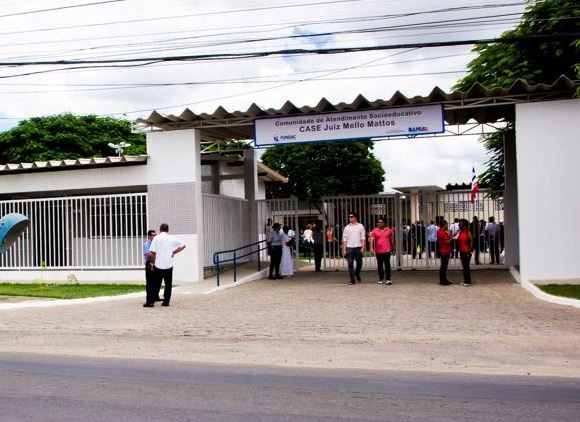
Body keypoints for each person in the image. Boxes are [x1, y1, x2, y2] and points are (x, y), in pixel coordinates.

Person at [146, 223, 186, 307]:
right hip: (168, 264)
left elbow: (153, 252)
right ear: (168, 230)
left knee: (155, 284)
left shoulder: (156, 238)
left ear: (160, 229)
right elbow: (183, 245)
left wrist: (152, 263)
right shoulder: (172, 238)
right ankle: (166, 302)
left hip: (158, 265)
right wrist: (174, 252)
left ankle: (151, 302)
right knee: (168, 284)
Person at [342, 212, 365, 285]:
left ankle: (357, 273)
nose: (350, 218)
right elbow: (344, 239)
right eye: (349, 217)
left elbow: (363, 237)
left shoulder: (360, 226)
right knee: (350, 264)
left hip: (358, 247)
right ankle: (352, 280)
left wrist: (363, 247)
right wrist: (344, 249)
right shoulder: (346, 227)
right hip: (349, 248)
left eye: (351, 217)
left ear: (355, 218)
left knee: (359, 263)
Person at [370, 217, 394, 285]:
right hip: (378, 251)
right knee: (380, 265)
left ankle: (388, 279)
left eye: (380, 222)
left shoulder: (389, 230)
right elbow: (372, 240)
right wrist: (371, 248)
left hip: (387, 250)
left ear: (384, 223)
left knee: (387, 265)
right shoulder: (375, 230)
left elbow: (391, 240)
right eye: (378, 222)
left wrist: (393, 248)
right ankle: (381, 279)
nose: (379, 224)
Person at [143, 229, 161, 303]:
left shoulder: (155, 244)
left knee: (157, 281)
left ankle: (156, 296)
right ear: (149, 236)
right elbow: (147, 254)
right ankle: (150, 299)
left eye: (155, 235)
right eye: (153, 235)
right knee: (150, 282)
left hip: (156, 263)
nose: (155, 236)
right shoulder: (147, 244)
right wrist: (156, 253)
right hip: (149, 263)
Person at [457, 219, 473, 287]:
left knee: (466, 267)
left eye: (460, 224)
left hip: (466, 251)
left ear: (464, 225)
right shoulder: (461, 232)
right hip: (462, 251)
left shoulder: (467, 232)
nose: (459, 225)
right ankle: (465, 280)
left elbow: (471, 241)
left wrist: (469, 250)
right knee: (464, 267)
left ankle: (468, 281)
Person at [437, 220, 453, 286]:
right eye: (447, 224)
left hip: (444, 250)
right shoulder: (442, 232)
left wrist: (449, 235)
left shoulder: (441, 231)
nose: (447, 225)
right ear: (444, 225)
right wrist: (452, 236)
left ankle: (444, 280)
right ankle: (443, 281)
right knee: (443, 267)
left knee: (444, 267)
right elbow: (447, 242)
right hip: (444, 251)